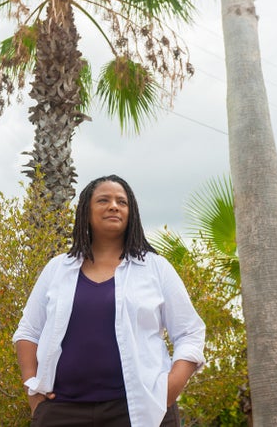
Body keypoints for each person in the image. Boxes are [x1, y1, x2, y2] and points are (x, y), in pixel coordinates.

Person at [13, 174, 206, 427]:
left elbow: (190, 333)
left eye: (122, 202)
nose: (114, 206)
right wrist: (33, 390)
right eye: (103, 200)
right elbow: (28, 331)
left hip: (142, 410)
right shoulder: (57, 268)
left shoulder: (156, 268)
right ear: (86, 211)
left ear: (131, 212)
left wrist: (169, 389)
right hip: (62, 410)